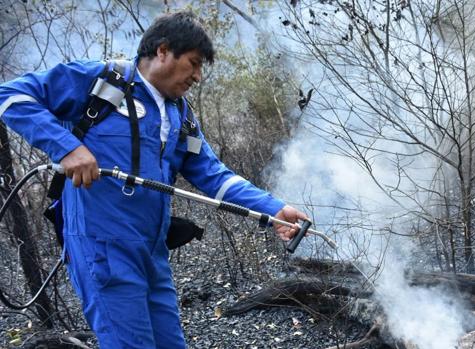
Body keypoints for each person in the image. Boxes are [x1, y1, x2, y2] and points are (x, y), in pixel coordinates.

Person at [0, 10, 308, 348]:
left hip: (152, 251)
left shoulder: (180, 114)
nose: (198, 76)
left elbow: (212, 174)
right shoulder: (101, 81)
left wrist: (273, 208)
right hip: (103, 249)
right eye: (193, 63)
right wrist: (67, 148)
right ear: (163, 50)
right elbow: (11, 96)